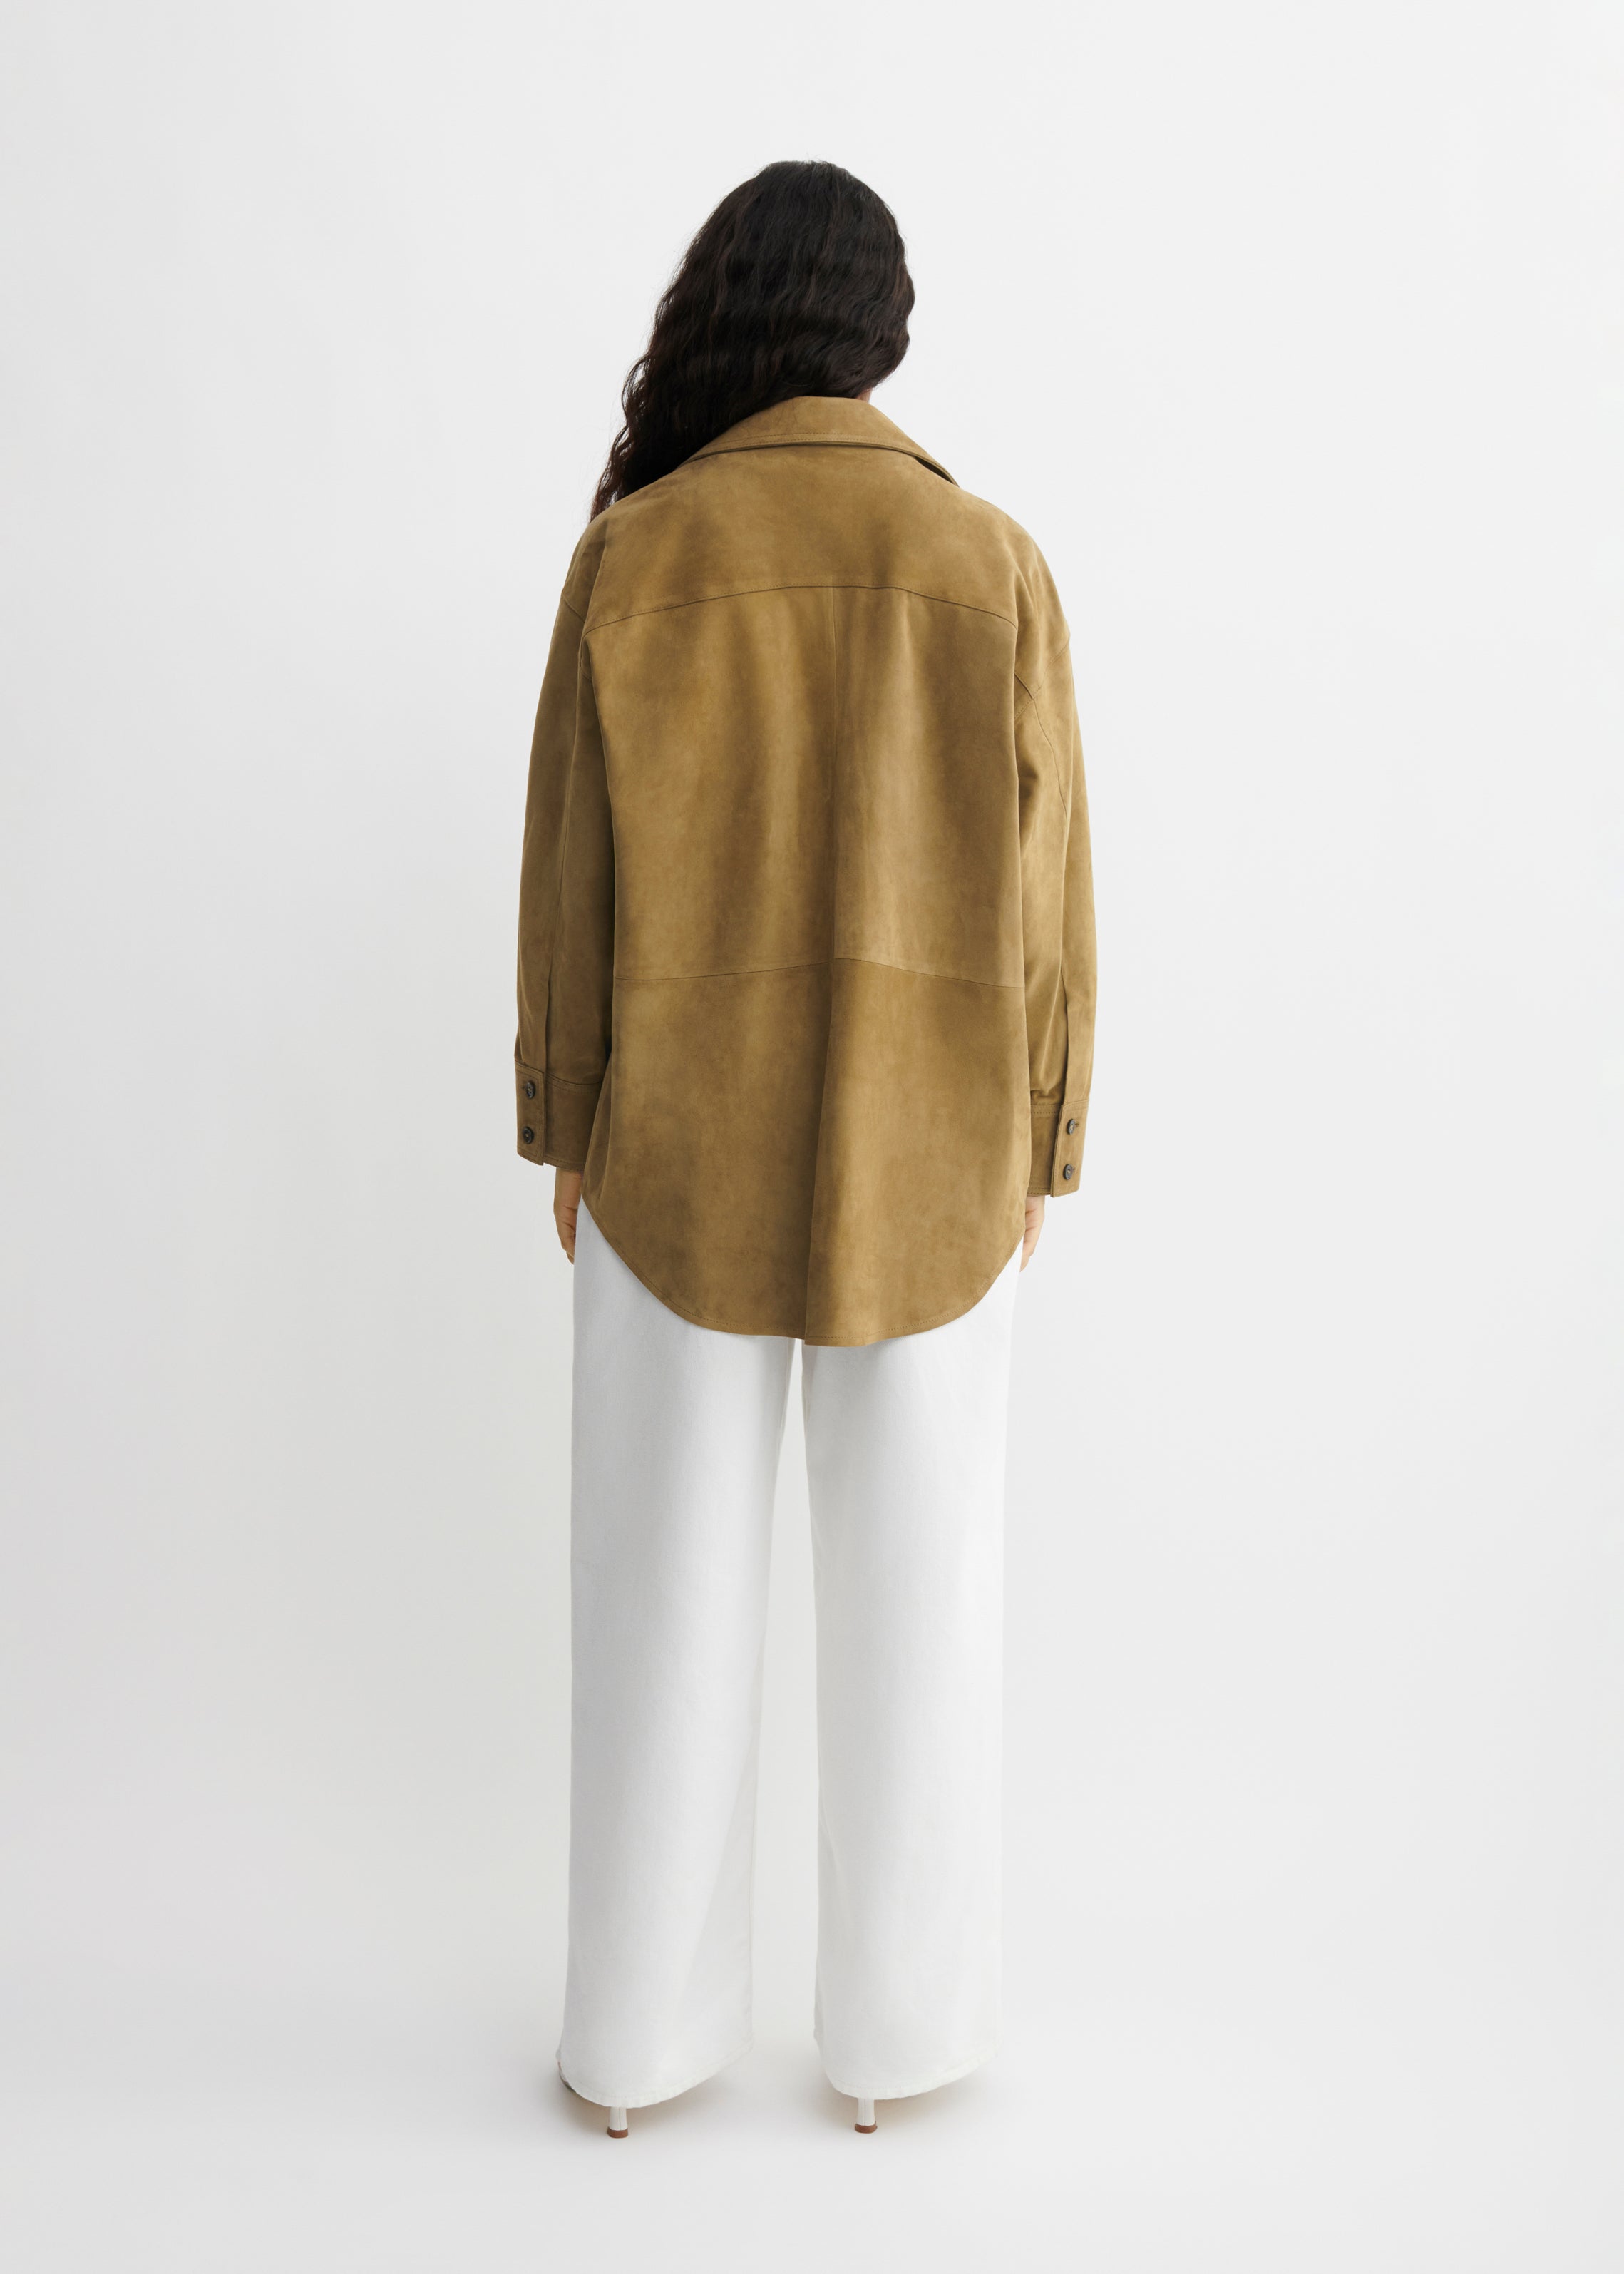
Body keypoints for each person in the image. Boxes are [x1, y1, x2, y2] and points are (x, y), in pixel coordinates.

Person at [514, 160, 1095, 2139]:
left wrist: (565, 1113)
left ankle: (635, 2053)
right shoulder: (991, 563)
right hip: (937, 1158)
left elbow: (569, 863)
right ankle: (900, 2053)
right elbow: (1051, 885)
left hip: (670, 1151)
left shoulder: (636, 555)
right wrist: (1044, 1135)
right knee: (928, 1609)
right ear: (879, 330)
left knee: (660, 1613)